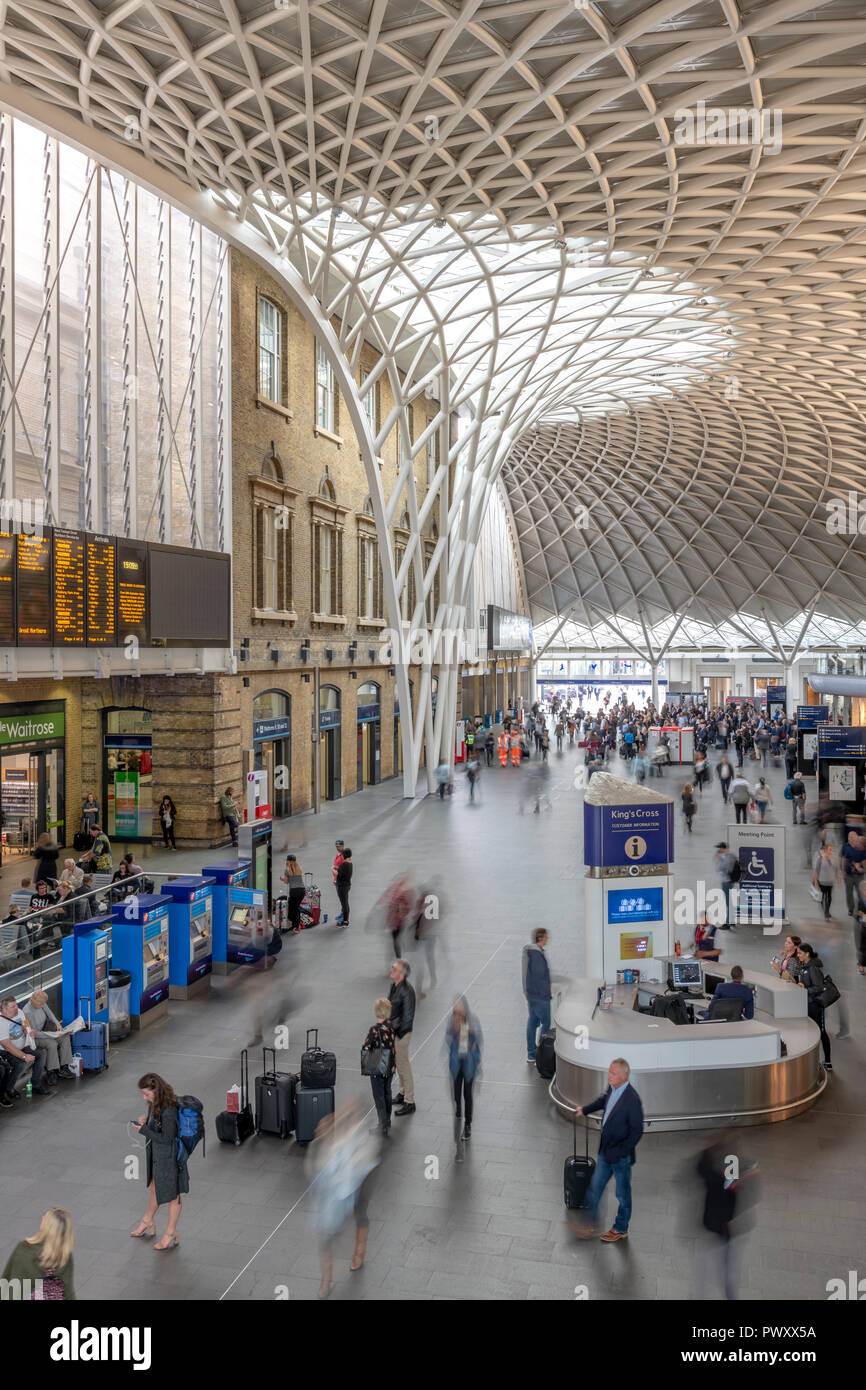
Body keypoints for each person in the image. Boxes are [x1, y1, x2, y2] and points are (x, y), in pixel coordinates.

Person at [307, 1102, 381, 1298]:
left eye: (322, 1129)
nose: (317, 1132)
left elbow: (349, 1176)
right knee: (326, 1237)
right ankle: (326, 1280)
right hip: (334, 1194)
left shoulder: (350, 1142)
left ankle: (359, 1251)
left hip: (362, 1175)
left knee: (360, 1211)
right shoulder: (318, 1148)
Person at [573, 1058, 644, 1242]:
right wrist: (585, 1110)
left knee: (622, 1195)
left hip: (620, 1158)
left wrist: (621, 1152)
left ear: (623, 1076)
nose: (609, 1076)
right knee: (595, 1188)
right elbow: (603, 1101)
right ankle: (589, 1225)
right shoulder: (613, 1090)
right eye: (609, 1071)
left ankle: (621, 1228)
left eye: (613, 1073)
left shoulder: (632, 1100)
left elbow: (637, 1132)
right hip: (605, 1151)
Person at [695, 1139, 759, 1301]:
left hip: (724, 1230)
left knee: (714, 1271)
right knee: (723, 1271)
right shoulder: (737, 1173)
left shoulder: (721, 1179)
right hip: (726, 1229)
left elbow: (704, 1172)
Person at [130, 1072, 189, 1248]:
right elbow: (157, 1127)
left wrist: (144, 1130)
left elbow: (166, 1138)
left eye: (146, 1094)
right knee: (154, 1187)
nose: (144, 1097)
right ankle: (148, 1220)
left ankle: (171, 1231)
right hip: (158, 1156)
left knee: (174, 1195)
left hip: (169, 1158)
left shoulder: (169, 1109)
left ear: (156, 1091)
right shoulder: (155, 1103)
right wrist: (146, 1122)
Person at [2, 1207, 75, 1300]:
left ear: (45, 1225)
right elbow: (68, 1291)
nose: (42, 1218)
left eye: (45, 1218)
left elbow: (8, 1282)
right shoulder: (65, 1256)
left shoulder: (24, 1249)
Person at [522, 928, 565, 1063]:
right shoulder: (536, 955)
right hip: (540, 996)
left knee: (533, 1022)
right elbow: (540, 976)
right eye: (546, 937)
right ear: (540, 938)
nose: (548, 939)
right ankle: (539, 1054)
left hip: (531, 994)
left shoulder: (531, 952)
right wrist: (549, 988)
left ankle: (531, 1053)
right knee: (545, 1023)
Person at [0, 994, 55, 1097]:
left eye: (16, 1005)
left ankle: (36, 1085)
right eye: (13, 1007)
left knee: (41, 1053)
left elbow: (26, 1025)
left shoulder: (20, 1012)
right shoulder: (1, 1022)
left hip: (23, 1045)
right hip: (7, 1051)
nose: (16, 1008)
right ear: (4, 1009)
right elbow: (6, 1045)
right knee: (21, 1063)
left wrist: (29, 1031)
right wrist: (24, 1056)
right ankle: (9, 1088)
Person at [445, 996, 482, 1141]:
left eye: (459, 1006)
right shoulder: (451, 1021)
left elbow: (478, 1042)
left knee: (468, 1094)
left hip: (469, 1063)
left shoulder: (472, 1021)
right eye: (455, 1007)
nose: (457, 1010)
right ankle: (458, 1108)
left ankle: (468, 1124)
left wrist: (477, 1061)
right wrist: (453, 1031)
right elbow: (447, 1039)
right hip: (456, 1063)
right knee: (456, 1093)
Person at [361, 997, 396, 1137]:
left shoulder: (374, 1030)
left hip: (377, 1066)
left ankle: (382, 1126)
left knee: (379, 1096)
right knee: (387, 1092)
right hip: (390, 1066)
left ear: (376, 1012)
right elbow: (393, 1047)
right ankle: (387, 1120)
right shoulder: (391, 1027)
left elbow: (366, 1046)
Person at [23, 990, 76, 1081]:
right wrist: (52, 1036)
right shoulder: (27, 1012)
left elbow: (50, 1014)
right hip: (35, 1037)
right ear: (35, 1003)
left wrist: (57, 1024)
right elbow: (34, 1033)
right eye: (41, 1005)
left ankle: (64, 1067)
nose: (43, 1006)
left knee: (65, 1037)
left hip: (45, 1032)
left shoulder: (41, 1003)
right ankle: (51, 1071)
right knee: (51, 1044)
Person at [796, 943, 832, 1071]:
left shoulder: (813, 968)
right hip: (808, 1003)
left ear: (807, 954)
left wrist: (805, 988)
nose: (798, 955)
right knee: (811, 1031)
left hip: (815, 1005)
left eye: (800, 953)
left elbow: (819, 987)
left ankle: (827, 1061)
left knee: (820, 1032)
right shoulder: (805, 966)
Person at [388, 959, 416, 1115]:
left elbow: (408, 1018)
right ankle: (402, 1092)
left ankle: (410, 1101)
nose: (391, 970)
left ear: (402, 974)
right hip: (394, 1032)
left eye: (394, 968)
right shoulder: (394, 986)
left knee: (404, 1066)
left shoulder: (407, 991)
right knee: (399, 1065)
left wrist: (394, 1030)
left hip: (401, 1035)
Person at [840, 831, 866, 917]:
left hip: (859, 876)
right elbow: (842, 858)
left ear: (857, 837)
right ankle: (851, 909)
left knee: (860, 893)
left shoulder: (862, 847)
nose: (851, 839)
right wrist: (842, 870)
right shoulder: (845, 846)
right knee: (849, 893)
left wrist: (860, 866)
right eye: (850, 837)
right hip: (848, 875)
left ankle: (860, 909)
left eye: (853, 837)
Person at [812, 841, 838, 920]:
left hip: (830, 882)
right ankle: (826, 913)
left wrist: (837, 878)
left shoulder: (833, 858)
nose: (831, 851)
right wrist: (816, 881)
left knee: (829, 897)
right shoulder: (820, 859)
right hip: (822, 881)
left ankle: (827, 911)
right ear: (825, 850)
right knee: (823, 897)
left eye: (831, 849)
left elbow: (836, 869)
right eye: (830, 849)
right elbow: (816, 871)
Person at [714, 843, 738, 927]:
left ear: (723, 849)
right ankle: (731, 921)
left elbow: (722, 868)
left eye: (719, 848)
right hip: (728, 881)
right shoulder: (729, 856)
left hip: (726, 882)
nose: (718, 850)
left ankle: (728, 923)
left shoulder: (728, 857)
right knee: (729, 902)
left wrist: (719, 859)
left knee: (728, 903)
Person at [281, 854, 306, 932]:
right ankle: (296, 924)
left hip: (294, 891)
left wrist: (282, 879)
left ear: (288, 861)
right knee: (296, 907)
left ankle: (296, 926)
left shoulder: (287, 870)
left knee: (294, 909)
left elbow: (286, 881)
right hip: (302, 890)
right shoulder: (299, 868)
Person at [335, 848, 352, 927]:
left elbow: (337, 874)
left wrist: (332, 868)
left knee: (344, 904)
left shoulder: (344, 864)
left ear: (344, 855)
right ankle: (345, 920)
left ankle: (345, 922)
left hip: (342, 887)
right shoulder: (349, 863)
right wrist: (338, 868)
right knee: (345, 903)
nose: (341, 856)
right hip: (347, 885)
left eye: (342, 855)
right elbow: (342, 871)